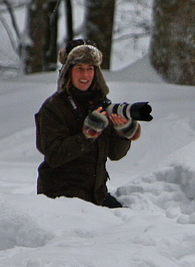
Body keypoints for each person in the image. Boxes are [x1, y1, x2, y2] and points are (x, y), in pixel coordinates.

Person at [35, 39, 142, 208]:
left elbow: (115, 154)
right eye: (79, 69)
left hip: (96, 195)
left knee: (132, 224)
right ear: (68, 71)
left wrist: (123, 133)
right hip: (59, 198)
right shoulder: (53, 108)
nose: (85, 75)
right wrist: (86, 135)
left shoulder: (101, 104)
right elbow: (54, 155)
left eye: (90, 69)